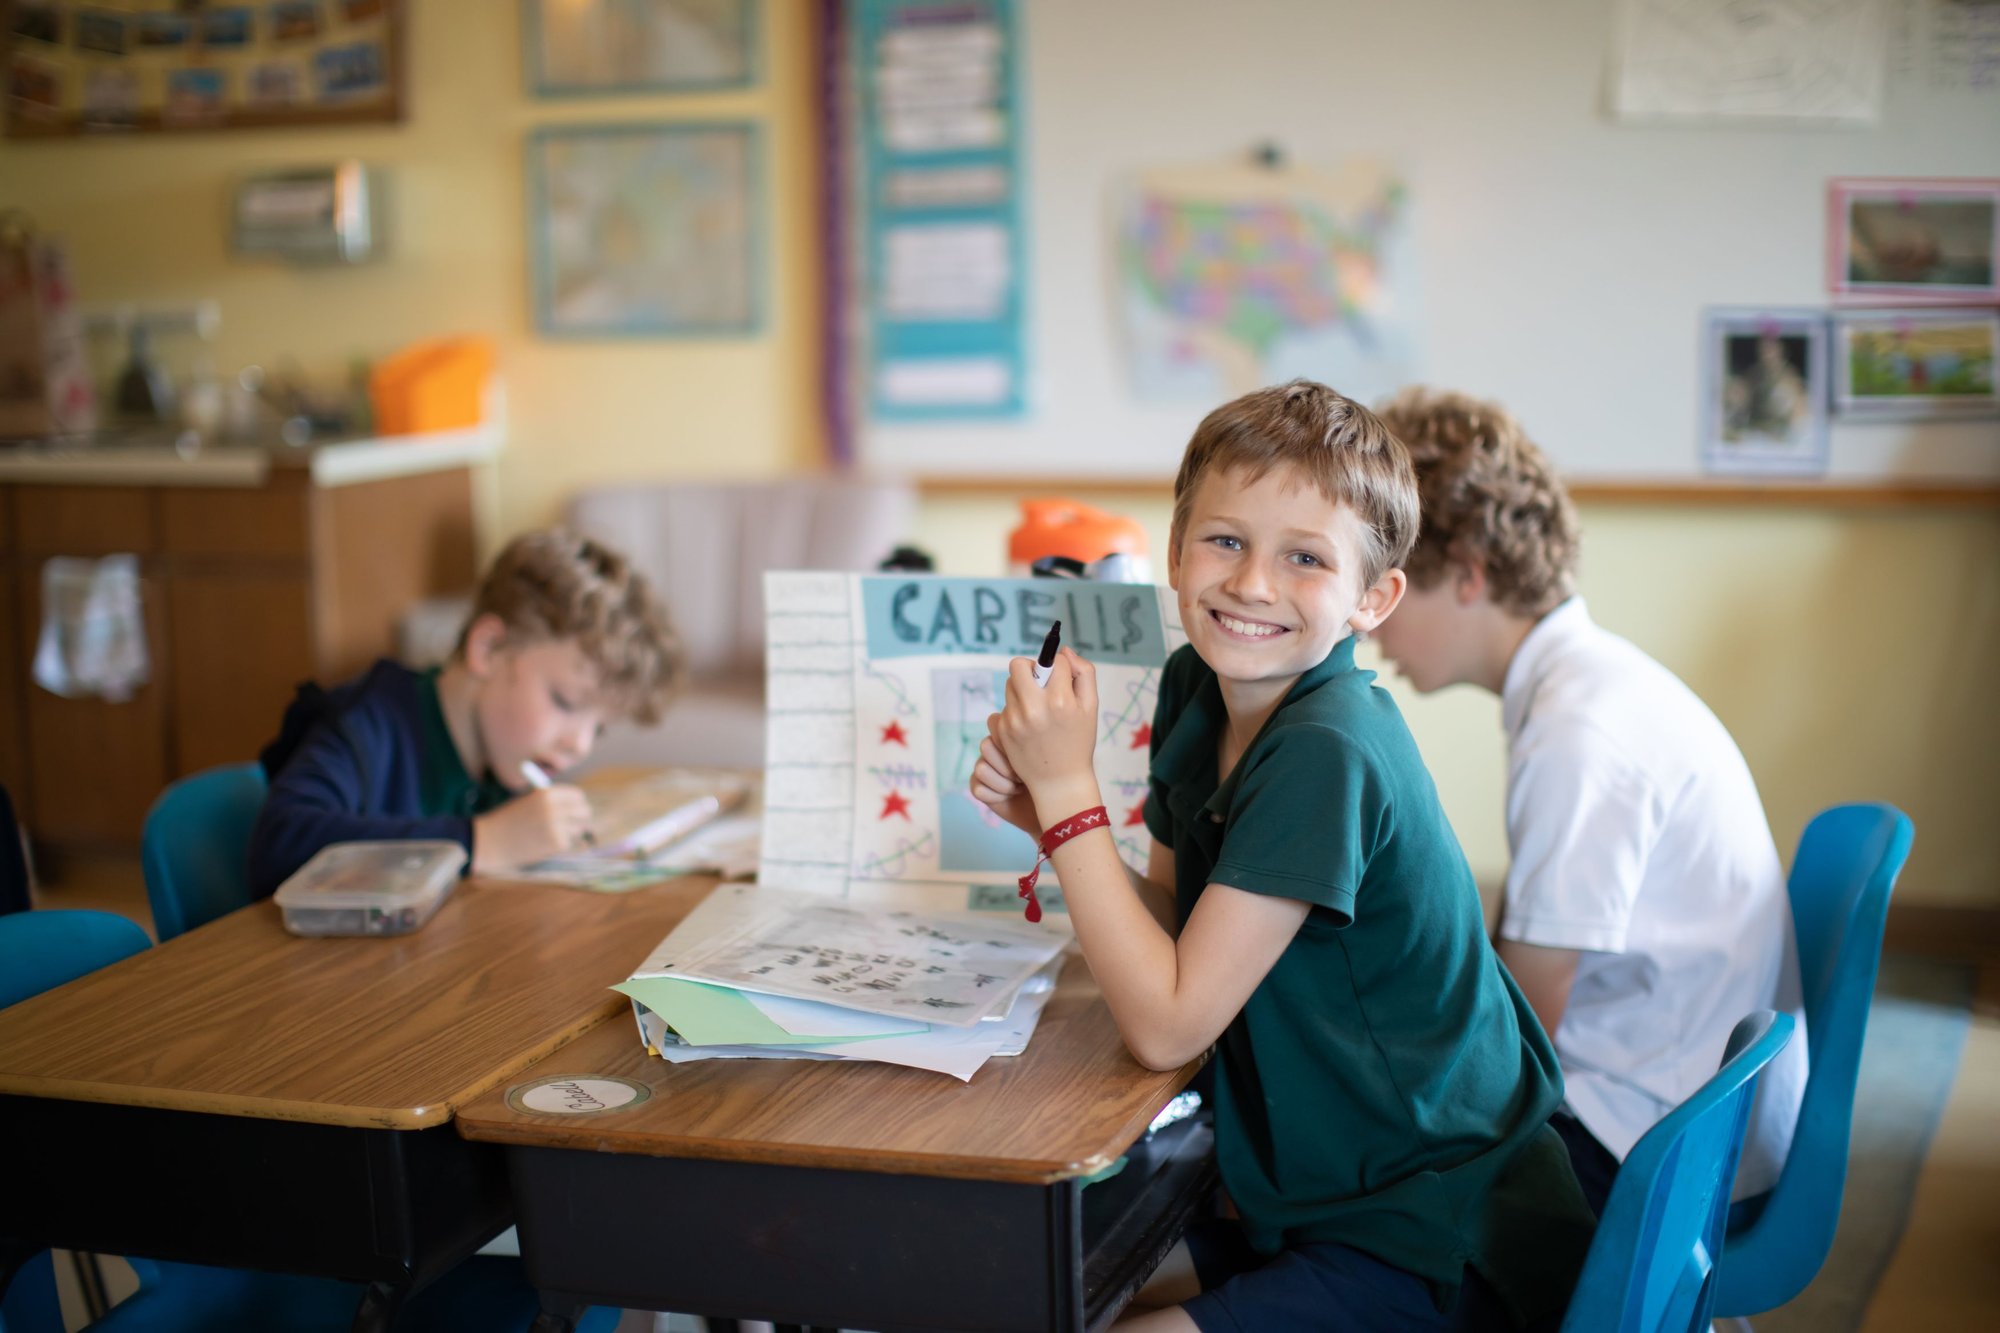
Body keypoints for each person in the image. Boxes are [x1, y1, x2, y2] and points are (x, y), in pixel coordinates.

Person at [973, 381, 1594, 1332]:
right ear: (1174, 554)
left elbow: (1169, 1026)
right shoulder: (1197, 685)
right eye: (1225, 540)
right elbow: (1182, 933)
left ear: (1371, 598)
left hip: (1433, 1229)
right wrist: (1050, 824)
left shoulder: (1325, 749)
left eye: (1305, 557)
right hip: (1308, 1193)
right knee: (1019, 1285)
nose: (1253, 583)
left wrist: (1072, 806)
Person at [1368, 386, 1807, 1213]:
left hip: (1647, 1144)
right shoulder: (1590, 685)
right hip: (1680, 1094)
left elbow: (1520, 1035)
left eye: (1386, 585)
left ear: (1467, 574)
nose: (1368, 623)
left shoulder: (1580, 733)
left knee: (1343, 1157)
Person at [248, 530, 681, 897]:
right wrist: (481, 841)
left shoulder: (506, 757)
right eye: (564, 702)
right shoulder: (366, 726)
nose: (580, 744)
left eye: (599, 728)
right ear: (488, 648)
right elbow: (279, 847)